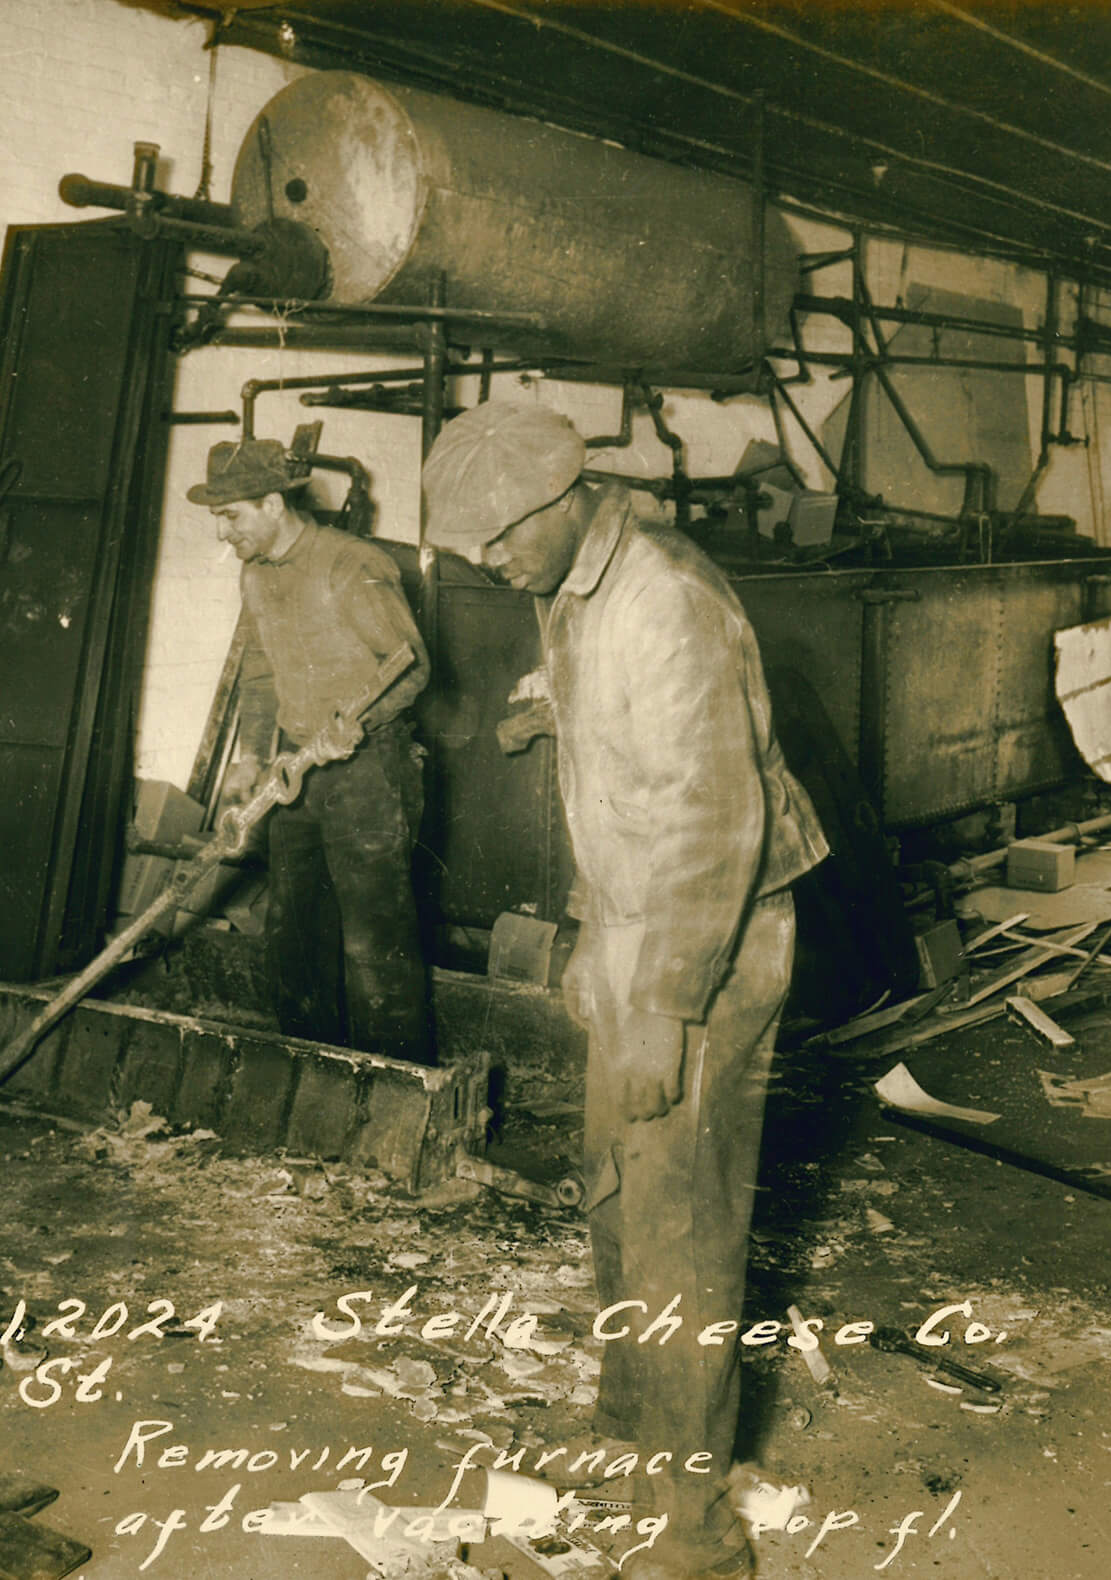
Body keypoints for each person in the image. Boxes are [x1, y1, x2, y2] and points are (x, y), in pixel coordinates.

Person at [422, 403, 828, 1580]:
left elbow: (714, 817)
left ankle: (695, 1535)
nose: (489, 564)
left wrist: (663, 1007)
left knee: (678, 1225)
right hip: (630, 914)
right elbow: (621, 713)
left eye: (497, 541)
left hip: (709, 931)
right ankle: (632, 1420)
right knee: (614, 1180)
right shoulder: (573, 579)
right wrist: (550, 704)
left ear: (560, 502)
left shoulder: (666, 600)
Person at [190, 437, 435, 1065]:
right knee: (293, 937)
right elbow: (261, 677)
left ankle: (395, 1087)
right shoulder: (258, 576)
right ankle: (310, 1078)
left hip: (369, 770)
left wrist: (357, 723)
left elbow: (410, 669)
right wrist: (250, 757)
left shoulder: (350, 564)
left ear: (273, 504)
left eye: (232, 515)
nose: (223, 533)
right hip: (296, 773)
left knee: (374, 943)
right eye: (218, 517)